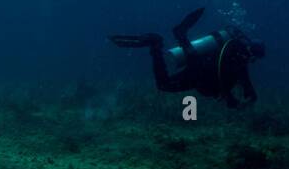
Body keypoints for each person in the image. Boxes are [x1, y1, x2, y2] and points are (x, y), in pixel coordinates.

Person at [110, 7, 263, 107]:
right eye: (253, 55)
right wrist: (229, 96)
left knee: (168, 81)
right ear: (252, 50)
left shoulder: (240, 56)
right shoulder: (236, 48)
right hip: (201, 73)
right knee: (165, 85)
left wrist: (250, 93)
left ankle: (166, 41)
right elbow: (222, 65)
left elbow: (242, 76)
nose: (251, 59)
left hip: (200, 72)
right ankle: (167, 40)